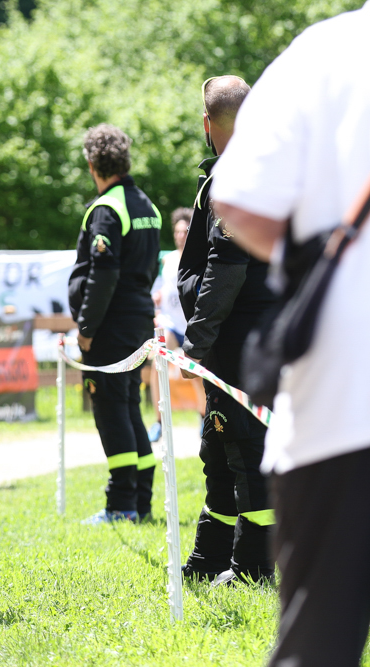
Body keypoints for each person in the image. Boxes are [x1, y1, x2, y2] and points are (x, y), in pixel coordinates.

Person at [211, 6, 370, 662]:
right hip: (339, 398)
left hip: (343, 396)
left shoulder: (326, 51)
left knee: (318, 642)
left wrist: (321, 257)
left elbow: (238, 197)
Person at [176, 76, 276, 587]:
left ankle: (254, 568)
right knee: (217, 447)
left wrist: (195, 343)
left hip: (240, 340)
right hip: (245, 336)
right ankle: (208, 559)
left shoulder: (239, 177)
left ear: (207, 123)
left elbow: (226, 270)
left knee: (245, 449)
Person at [68, 124, 161, 525]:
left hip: (110, 325)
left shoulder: (107, 208)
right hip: (138, 320)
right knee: (128, 407)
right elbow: (152, 267)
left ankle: (121, 505)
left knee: (110, 409)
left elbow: (102, 275)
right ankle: (141, 501)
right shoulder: (148, 206)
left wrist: (87, 329)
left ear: (92, 164)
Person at [145, 208, 205, 442]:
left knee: (196, 372)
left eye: (185, 231)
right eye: (177, 231)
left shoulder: (199, 258)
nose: (181, 236)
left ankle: (204, 417)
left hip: (191, 326)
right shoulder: (167, 260)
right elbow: (160, 290)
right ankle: (159, 421)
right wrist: (157, 303)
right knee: (157, 365)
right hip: (171, 326)